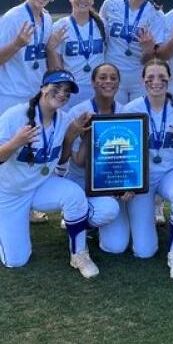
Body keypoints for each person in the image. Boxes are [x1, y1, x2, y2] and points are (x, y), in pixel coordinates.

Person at [0, 70, 114, 278]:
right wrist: (15, 142)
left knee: (74, 195)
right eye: (57, 88)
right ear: (43, 87)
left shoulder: (63, 119)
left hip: (40, 185)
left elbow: (61, 159)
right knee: (16, 261)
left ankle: (79, 253)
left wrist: (71, 136)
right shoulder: (15, 115)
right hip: (10, 191)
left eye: (67, 91)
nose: (62, 94)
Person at [121, 59, 173, 281]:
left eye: (162, 76)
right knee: (144, 251)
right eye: (151, 77)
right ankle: (134, 223)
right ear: (142, 80)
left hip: (169, 173)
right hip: (141, 179)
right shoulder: (131, 109)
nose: (156, 81)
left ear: (170, 78)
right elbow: (122, 154)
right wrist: (127, 182)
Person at [62, 63, 126, 256]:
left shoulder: (125, 112)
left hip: (110, 183)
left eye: (113, 78)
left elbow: (129, 160)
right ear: (93, 82)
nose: (108, 82)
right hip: (81, 181)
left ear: (118, 84)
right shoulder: (78, 113)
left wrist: (127, 186)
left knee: (117, 246)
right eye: (103, 77)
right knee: (102, 211)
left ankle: (93, 221)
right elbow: (78, 161)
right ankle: (79, 220)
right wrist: (88, 137)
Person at [0, 0, 60, 120]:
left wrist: (51, 50)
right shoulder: (12, 18)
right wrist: (16, 44)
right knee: (7, 144)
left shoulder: (47, 18)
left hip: (37, 97)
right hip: (11, 98)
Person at [99, 0, 165, 103]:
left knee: (138, 117)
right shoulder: (110, 4)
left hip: (138, 76)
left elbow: (153, 57)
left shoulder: (156, 14)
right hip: (112, 73)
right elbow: (101, 38)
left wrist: (148, 49)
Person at [48, 0, 108, 109]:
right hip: (71, 89)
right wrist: (51, 49)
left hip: (97, 88)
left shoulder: (103, 25)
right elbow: (56, 66)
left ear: (93, 0)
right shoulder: (60, 26)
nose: (82, 0)